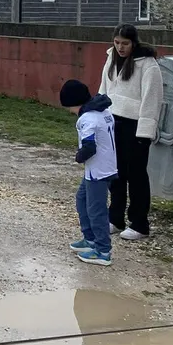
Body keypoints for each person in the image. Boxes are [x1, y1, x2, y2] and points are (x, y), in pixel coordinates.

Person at [99, 23, 164, 241]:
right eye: (117, 43)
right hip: (112, 120)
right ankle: (115, 218)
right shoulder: (111, 58)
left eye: (125, 43)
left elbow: (152, 99)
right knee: (115, 174)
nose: (120, 47)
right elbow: (104, 89)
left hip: (135, 125)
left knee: (136, 175)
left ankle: (139, 223)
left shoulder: (148, 65)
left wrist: (145, 132)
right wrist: (99, 116)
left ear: (133, 43)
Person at [60, 78, 119, 266]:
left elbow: (89, 147)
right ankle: (90, 238)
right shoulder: (104, 111)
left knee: (96, 210)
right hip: (105, 167)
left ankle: (103, 251)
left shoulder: (87, 119)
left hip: (97, 172)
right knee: (82, 199)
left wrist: (78, 156)